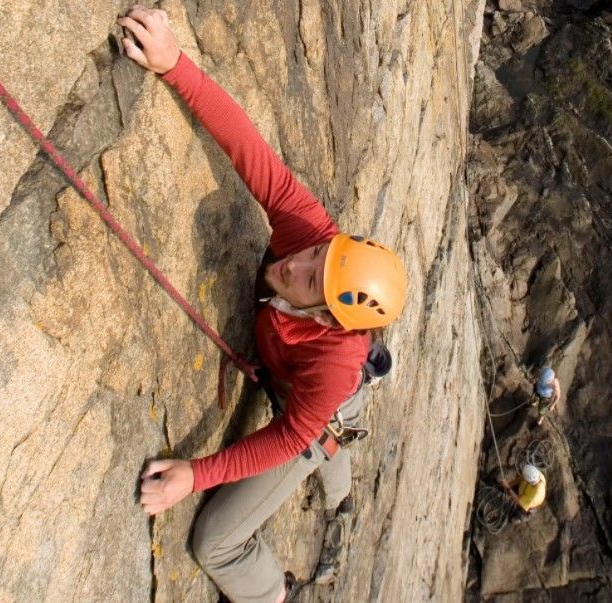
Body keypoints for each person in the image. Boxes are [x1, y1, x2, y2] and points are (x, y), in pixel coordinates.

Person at [117, 6, 407, 603]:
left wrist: (193, 476)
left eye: (310, 279)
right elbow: (251, 151)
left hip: (316, 407)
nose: (294, 264)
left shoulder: (328, 365)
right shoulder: (314, 237)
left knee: (215, 542)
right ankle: (341, 488)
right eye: (317, 255)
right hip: (312, 381)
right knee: (324, 418)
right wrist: (175, 65)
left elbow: (286, 436)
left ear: (328, 316)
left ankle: (272, 593)